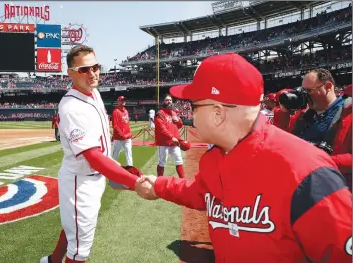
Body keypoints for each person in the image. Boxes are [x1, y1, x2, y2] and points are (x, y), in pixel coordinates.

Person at [135, 53, 352, 263]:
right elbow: (200, 192)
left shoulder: (308, 171)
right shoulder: (216, 158)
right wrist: (159, 185)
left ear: (218, 113)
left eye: (194, 106)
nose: (190, 115)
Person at [40, 45, 150, 263]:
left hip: (93, 177)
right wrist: (131, 180)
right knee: (80, 250)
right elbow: (92, 157)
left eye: (96, 67)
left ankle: (52, 261)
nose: (92, 73)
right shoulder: (72, 107)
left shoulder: (94, 92)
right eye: (84, 69)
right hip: (81, 182)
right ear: (71, 73)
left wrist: (117, 171)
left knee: (75, 230)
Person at [288, 69, 352, 190]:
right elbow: (282, 142)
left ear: (328, 87)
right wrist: (284, 112)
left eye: (309, 91)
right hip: (305, 189)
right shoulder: (302, 115)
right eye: (303, 91)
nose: (305, 96)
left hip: (336, 189)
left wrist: (321, 161)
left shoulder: (348, 113)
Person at [154, 94, 185, 178]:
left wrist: (178, 120)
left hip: (174, 142)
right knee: (162, 162)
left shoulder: (174, 112)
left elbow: (180, 125)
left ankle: (183, 180)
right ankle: (159, 180)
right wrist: (171, 137)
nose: (169, 101)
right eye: (167, 100)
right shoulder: (160, 114)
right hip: (164, 142)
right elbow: (161, 129)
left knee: (179, 161)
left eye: (170, 100)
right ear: (163, 102)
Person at [109, 95, 133, 189]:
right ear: (118, 101)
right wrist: (122, 135)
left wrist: (129, 132)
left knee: (129, 153)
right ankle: (111, 173)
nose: (123, 102)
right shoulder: (116, 111)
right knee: (115, 156)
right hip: (118, 138)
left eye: (124, 100)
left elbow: (127, 123)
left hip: (127, 138)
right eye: (121, 100)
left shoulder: (126, 111)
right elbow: (115, 126)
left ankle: (131, 172)